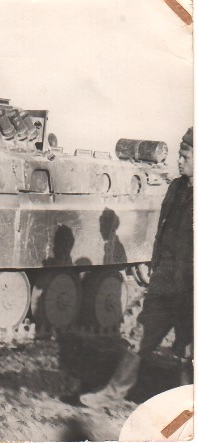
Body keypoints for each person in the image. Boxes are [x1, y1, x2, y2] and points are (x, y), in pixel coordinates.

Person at [80, 127, 194, 407]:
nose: (179, 161)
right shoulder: (176, 188)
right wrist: (156, 264)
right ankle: (112, 393)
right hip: (165, 280)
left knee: (189, 350)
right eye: (179, 155)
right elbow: (162, 230)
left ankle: (188, 410)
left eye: (186, 156)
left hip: (191, 287)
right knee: (140, 337)